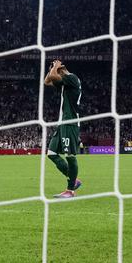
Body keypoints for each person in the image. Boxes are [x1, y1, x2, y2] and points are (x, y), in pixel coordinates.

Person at [44, 59, 83, 199]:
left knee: (70, 156)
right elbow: (46, 82)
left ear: (62, 70)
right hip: (62, 123)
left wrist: (55, 66)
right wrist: (53, 68)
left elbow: (53, 77)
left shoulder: (72, 78)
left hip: (70, 123)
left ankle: (70, 190)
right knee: (51, 153)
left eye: (56, 70)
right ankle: (74, 180)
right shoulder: (64, 82)